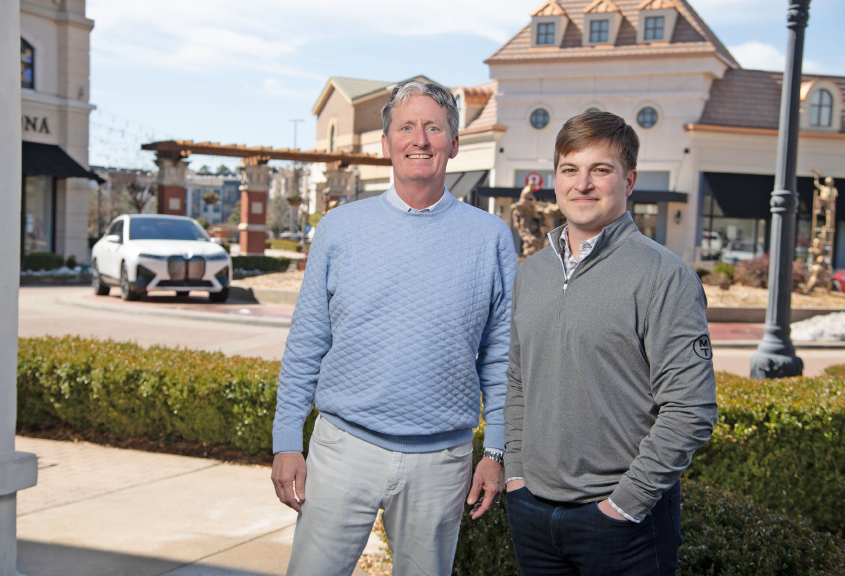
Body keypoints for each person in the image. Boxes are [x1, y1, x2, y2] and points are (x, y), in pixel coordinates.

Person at [271, 80, 517, 576]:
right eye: (406, 127)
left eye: (433, 127)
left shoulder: (491, 237)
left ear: (453, 142)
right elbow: (306, 342)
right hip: (342, 450)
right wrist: (285, 440)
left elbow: (503, 358)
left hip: (441, 463)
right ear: (386, 144)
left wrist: (496, 449)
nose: (419, 139)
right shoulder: (339, 229)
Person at [504, 111, 718, 575]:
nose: (582, 184)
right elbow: (518, 382)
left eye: (600, 169)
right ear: (556, 179)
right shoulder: (532, 274)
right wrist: (516, 476)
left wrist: (625, 505)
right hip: (533, 515)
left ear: (629, 180)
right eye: (569, 169)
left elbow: (691, 408)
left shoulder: (664, 277)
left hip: (622, 525)